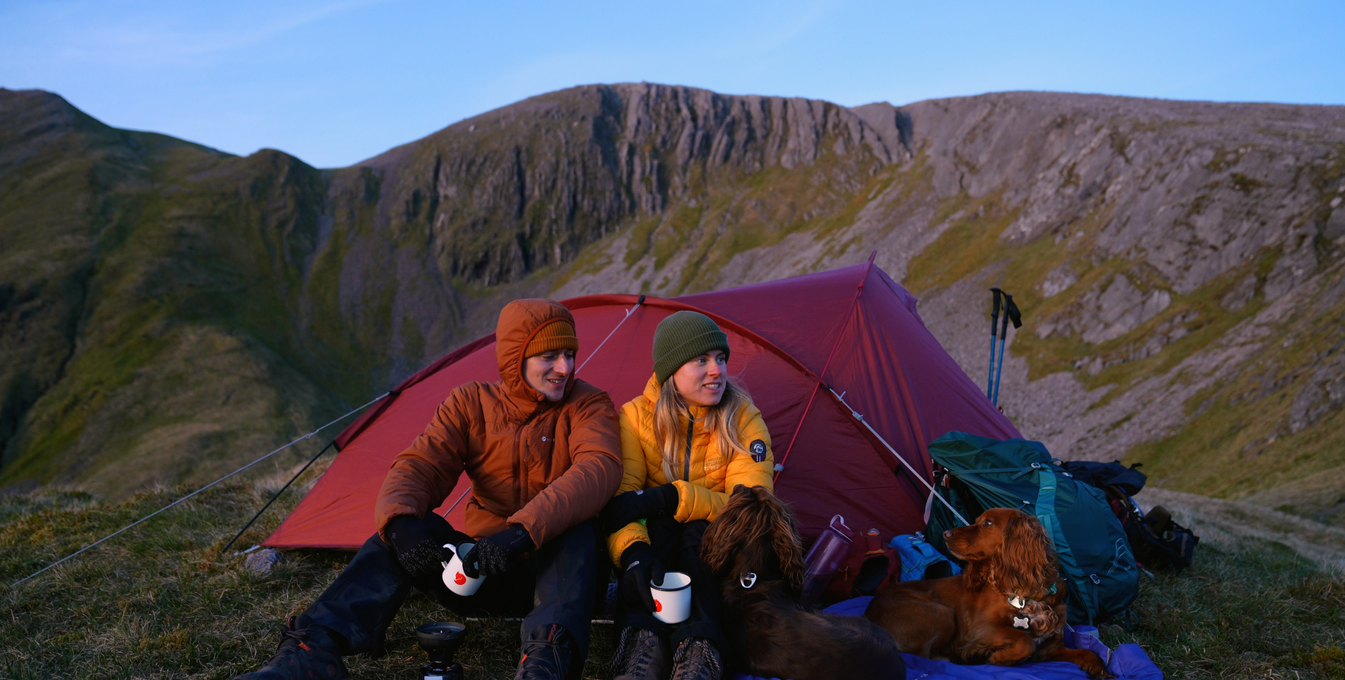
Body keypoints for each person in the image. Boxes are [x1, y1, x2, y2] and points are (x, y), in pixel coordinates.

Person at [237, 299, 623, 680]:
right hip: (480, 570)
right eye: (549, 356)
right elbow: (422, 464)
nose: (564, 368)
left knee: (579, 528)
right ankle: (311, 651)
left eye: (569, 354)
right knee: (398, 530)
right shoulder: (471, 403)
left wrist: (521, 534)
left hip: (562, 580)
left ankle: (544, 665)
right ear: (515, 357)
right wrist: (403, 524)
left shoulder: (588, 405)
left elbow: (598, 468)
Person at [602, 311, 775, 680]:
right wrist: (633, 552)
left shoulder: (743, 417)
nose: (717, 370)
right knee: (657, 534)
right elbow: (621, 505)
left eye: (721, 358)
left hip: (719, 547)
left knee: (697, 532)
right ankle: (642, 645)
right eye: (701, 360)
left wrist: (671, 496)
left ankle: (699, 650)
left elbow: (750, 507)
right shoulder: (634, 418)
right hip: (659, 542)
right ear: (671, 371)